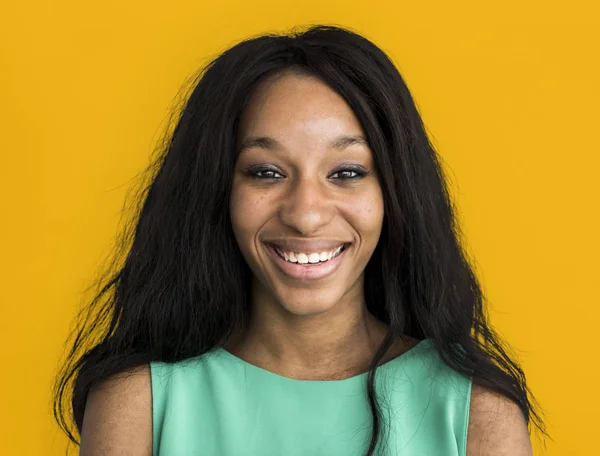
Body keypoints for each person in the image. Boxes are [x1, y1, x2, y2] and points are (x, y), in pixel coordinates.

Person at [53, 25, 545, 455]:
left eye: (347, 171)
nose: (306, 215)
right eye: (266, 172)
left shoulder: (477, 414)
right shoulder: (138, 403)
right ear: (217, 191)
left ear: (395, 194)